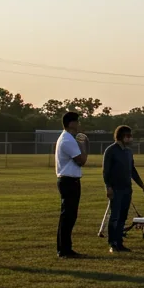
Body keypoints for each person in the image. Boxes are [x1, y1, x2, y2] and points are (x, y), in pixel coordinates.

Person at [102, 124, 144, 253]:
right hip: (115, 189)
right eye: (128, 136)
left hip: (127, 189)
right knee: (115, 216)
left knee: (123, 217)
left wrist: (142, 185)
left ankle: (120, 242)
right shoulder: (111, 150)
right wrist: (108, 187)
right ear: (121, 136)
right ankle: (112, 243)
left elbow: (132, 170)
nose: (131, 138)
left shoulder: (128, 152)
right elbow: (106, 171)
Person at [54, 111, 89, 258]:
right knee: (68, 216)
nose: (79, 124)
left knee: (68, 216)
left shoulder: (67, 138)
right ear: (71, 123)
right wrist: (84, 145)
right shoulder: (68, 140)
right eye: (77, 121)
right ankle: (64, 249)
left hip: (69, 180)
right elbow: (81, 160)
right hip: (69, 181)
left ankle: (64, 248)